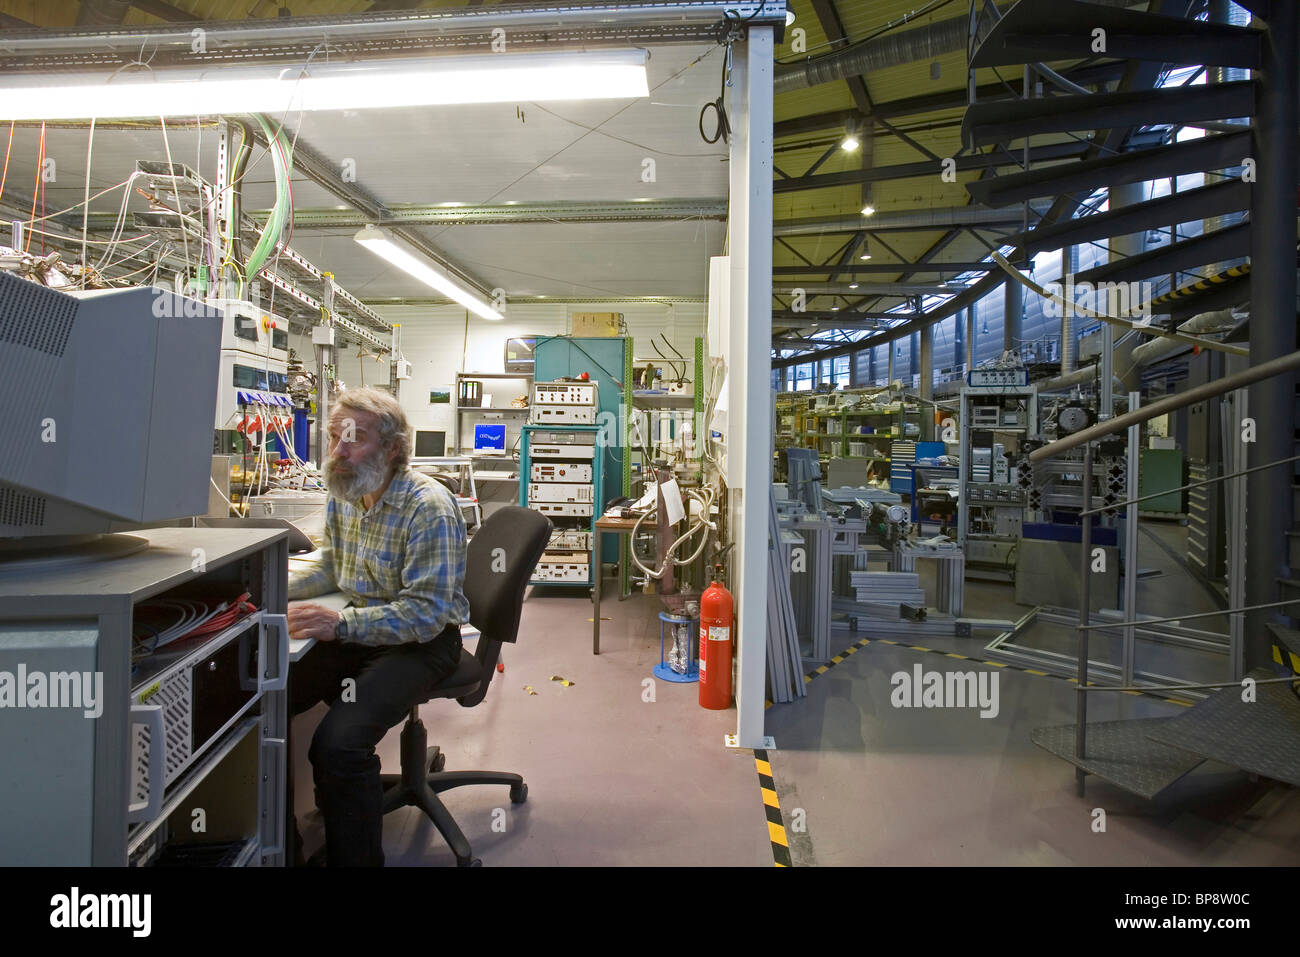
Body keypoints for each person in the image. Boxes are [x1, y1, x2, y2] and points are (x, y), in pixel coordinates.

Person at [287, 387, 470, 866]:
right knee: (263, 699)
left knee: (338, 745)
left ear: (392, 448)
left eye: (354, 438)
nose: (338, 451)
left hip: (421, 643)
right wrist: (266, 587)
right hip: (362, 628)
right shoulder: (346, 489)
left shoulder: (427, 506)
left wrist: (339, 624)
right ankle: (279, 847)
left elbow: (427, 614)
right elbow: (332, 565)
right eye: (333, 437)